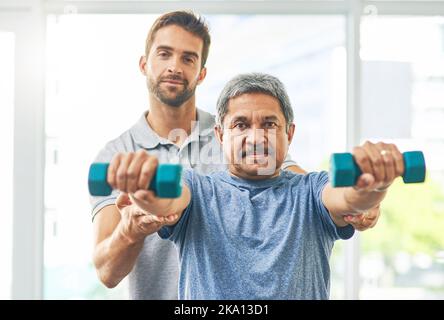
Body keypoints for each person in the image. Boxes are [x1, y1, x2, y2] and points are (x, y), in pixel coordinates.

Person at [91, 11, 380, 299]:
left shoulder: (236, 132)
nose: (174, 67)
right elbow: (107, 273)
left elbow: (302, 191)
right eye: (164, 54)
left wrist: (358, 196)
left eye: (188, 58)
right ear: (144, 63)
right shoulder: (116, 155)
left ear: (201, 73)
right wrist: (131, 228)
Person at [108, 73, 403, 299]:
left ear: (290, 133)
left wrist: (374, 185)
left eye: (269, 124)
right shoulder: (197, 190)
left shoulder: (311, 191)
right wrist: (145, 190)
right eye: (241, 125)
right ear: (221, 135)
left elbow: (350, 197)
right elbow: (167, 199)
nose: (256, 137)